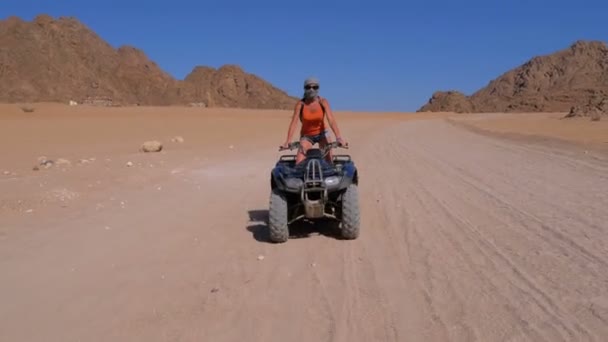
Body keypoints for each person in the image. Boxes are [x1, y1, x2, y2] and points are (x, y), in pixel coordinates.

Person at [281, 77, 348, 164]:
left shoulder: (323, 102)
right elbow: (294, 123)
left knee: (329, 161)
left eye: (314, 87)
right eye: (308, 87)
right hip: (307, 135)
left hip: (322, 134)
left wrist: (339, 138)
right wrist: (288, 141)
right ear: (304, 89)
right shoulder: (300, 104)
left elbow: (331, 120)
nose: (311, 89)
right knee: (299, 162)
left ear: (318, 88)